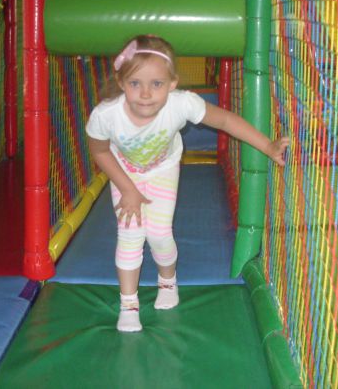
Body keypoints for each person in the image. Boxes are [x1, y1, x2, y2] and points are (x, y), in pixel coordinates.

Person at [85, 35, 289, 333]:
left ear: (172, 83)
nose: (145, 94)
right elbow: (100, 151)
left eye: (156, 84)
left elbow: (225, 121)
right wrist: (127, 189)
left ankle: (168, 280)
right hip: (125, 173)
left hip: (163, 169)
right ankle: (128, 303)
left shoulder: (181, 104)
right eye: (135, 83)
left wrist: (268, 146)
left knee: (158, 234)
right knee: (129, 235)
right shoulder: (106, 115)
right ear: (121, 82)